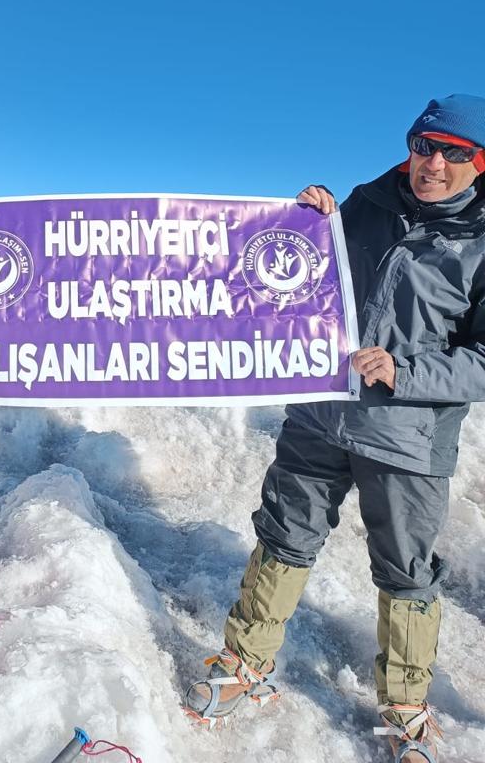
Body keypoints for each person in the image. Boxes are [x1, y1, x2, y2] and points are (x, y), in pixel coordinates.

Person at [184, 94, 485, 763]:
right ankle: (245, 663)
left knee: (406, 571)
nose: (433, 162)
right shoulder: (366, 203)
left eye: (454, 153)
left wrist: (404, 372)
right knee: (284, 536)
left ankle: (405, 709)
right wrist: (305, 223)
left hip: (408, 437)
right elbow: (297, 278)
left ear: (479, 163)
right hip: (320, 412)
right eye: (423, 145)